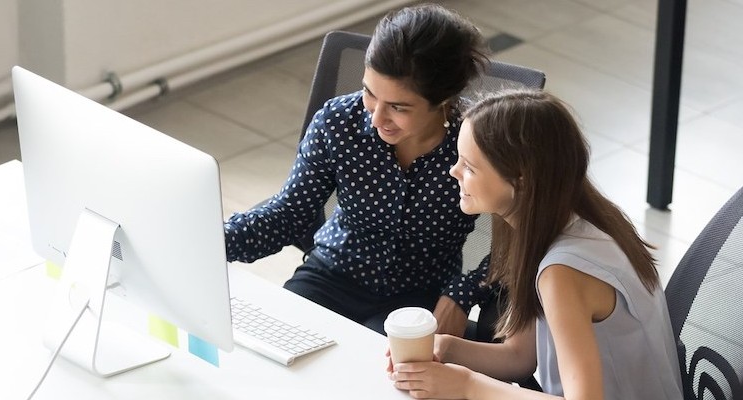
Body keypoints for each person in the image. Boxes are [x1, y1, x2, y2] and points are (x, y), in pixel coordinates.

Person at [389, 89, 683, 399]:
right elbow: (521, 357)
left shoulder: (563, 273)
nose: (454, 171)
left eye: (470, 167)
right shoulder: (564, 220)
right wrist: (444, 347)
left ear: (521, 181)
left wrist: (466, 385)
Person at [224, 3, 493, 336]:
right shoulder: (338, 122)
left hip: (418, 298)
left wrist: (463, 294)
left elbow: (525, 243)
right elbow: (289, 214)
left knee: (381, 376)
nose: (376, 118)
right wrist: (209, 242)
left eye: (398, 107)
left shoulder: (478, 143)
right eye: (369, 92)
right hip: (331, 275)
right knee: (281, 350)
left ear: (444, 100)